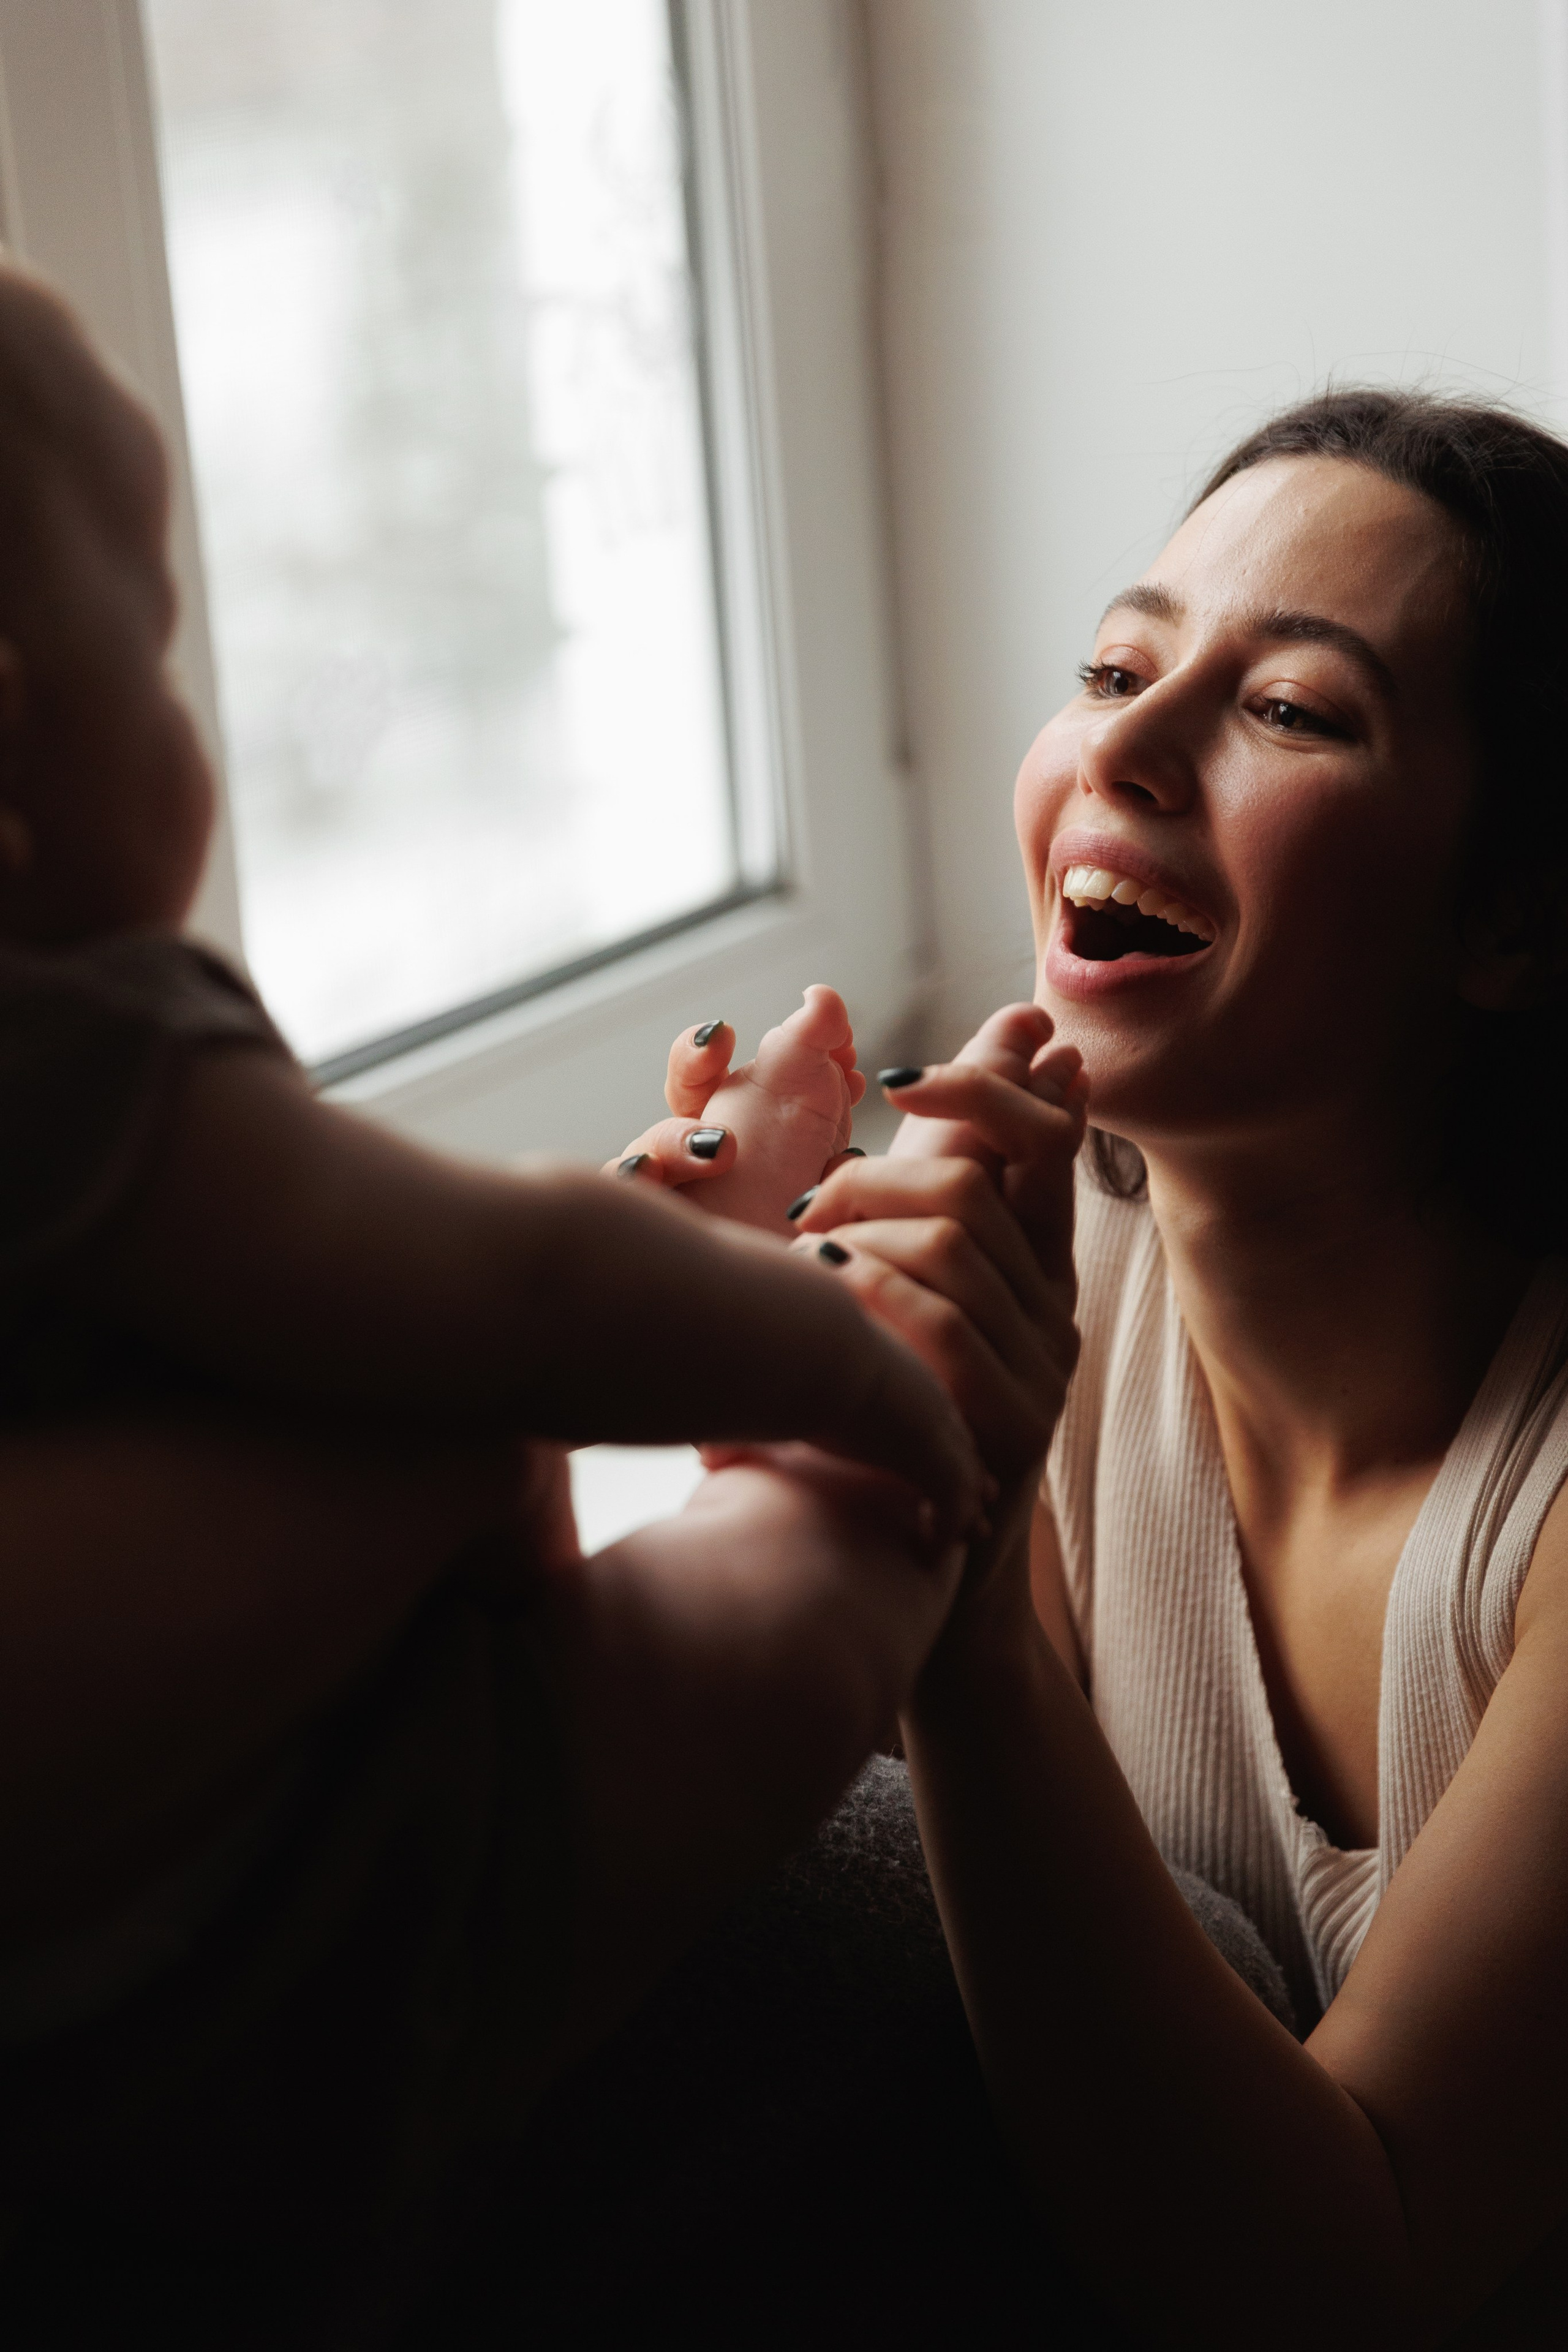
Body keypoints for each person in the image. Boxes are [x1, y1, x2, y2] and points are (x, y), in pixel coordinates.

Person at [0, 256, 1063, 2345]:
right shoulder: (83, 1056)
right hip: (339, 1919)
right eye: (163, 650)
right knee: (785, 1609)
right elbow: (508, 1289)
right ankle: (858, 1400)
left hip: (100, 2074)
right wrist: (835, 1361)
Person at [620, 391, 1568, 2343]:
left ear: (1515, 916)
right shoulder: (1054, 1276)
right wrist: (797, 1458)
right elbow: (970, 1979)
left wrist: (961, 1618)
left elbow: (1351, 2284)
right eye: (1118, 669)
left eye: (1291, 708)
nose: (1123, 746)